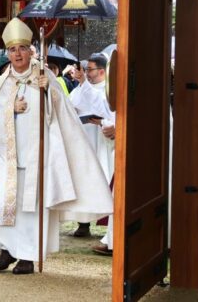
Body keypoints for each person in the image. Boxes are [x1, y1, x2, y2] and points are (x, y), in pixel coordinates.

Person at [0, 18, 113, 274]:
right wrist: (9, 109)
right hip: (9, 158)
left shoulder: (44, 75)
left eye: (22, 48)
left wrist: (49, 91)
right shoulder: (3, 80)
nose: (17, 54)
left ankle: (28, 254)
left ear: (30, 50)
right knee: (8, 202)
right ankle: (7, 250)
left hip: (38, 155)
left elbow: (64, 114)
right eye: (12, 50)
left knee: (31, 206)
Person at [69, 53, 116, 254]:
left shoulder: (109, 90)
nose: (87, 73)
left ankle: (109, 230)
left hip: (105, 144)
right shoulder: (84, 88)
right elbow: (71, 104)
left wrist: (103, 122)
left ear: (102, 71)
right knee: (85, 181)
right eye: (86, 70)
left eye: (90, 70)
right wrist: (81, 84)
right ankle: (84, 223)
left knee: (107, 181)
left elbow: (106, 109)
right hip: (86, 139)